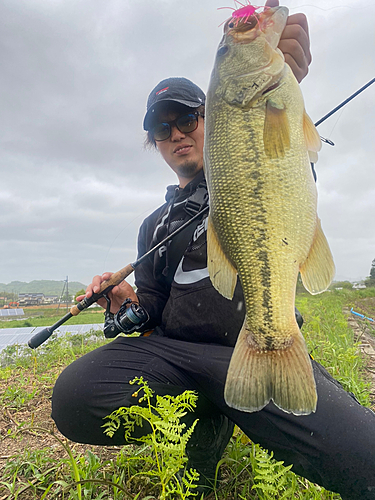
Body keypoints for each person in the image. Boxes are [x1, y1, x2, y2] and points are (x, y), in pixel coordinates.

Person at [51, 2, 375, 498]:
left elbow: (282, 163)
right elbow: (156, 311)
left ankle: (225, 415)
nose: (177, 133)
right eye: (163, 128)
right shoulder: (152, 226)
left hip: (249, 345)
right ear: (154, 143)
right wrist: (125, 304)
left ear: (212, 117)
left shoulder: (245, 157)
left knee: (366, 460)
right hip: (178, 360)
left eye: (188, 118)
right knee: (73, 396)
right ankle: (208, 422)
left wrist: (283, 83)